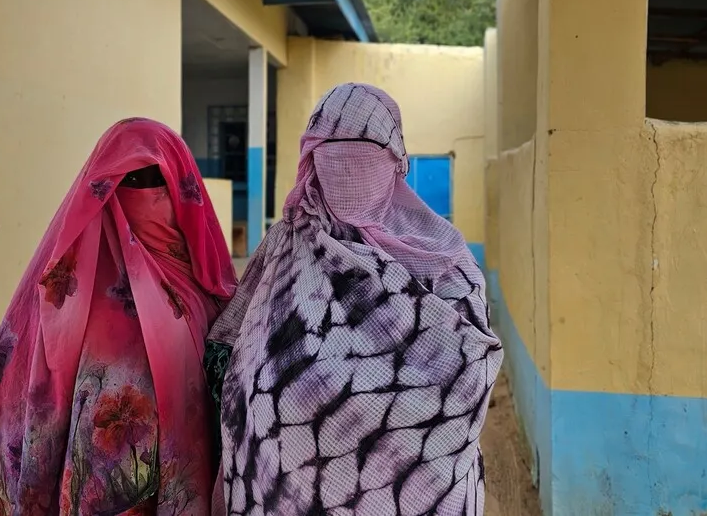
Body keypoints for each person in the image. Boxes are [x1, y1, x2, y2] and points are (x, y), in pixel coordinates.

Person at [206, 83, 504, 515]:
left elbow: (471, 371)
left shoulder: (435, 258)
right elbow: (234, 354)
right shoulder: (289, 245)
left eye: (361, 155)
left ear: (395, 160)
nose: (347, 171)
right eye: (334, 154)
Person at [0, 118, 237, 515]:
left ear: (183, 190)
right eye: (129, 182)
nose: (143, 193)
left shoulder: (207, 288)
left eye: (157, 182)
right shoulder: (60, 298)